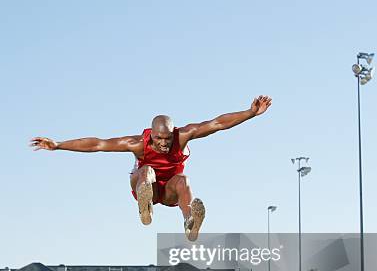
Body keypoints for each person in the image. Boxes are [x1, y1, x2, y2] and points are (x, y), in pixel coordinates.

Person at [30, 95, 272, 241]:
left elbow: (218, 123)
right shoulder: (136, 144)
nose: (164, 144)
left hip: (169, 193)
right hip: (146, 186)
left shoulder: (184, 136)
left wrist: (250, 113)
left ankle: (190, 223)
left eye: (167, 139)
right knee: (147, 171)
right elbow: (98, 144)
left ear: (173, 133)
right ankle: (145, 209)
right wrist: (59, 145)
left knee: (184, 180)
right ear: (151, 134)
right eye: (159, 139)